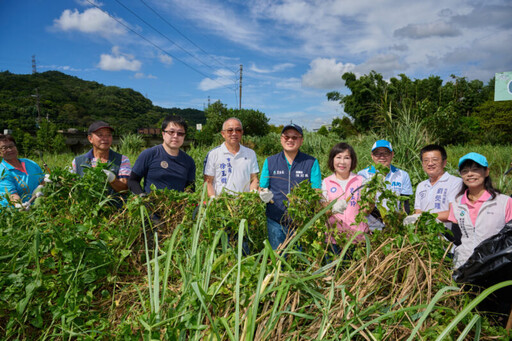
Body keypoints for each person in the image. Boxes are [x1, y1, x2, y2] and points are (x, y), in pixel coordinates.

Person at [259, 123, 322, 250]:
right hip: (275, 220)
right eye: (286, 137)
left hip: (302, 221)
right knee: (278, 258)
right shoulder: (270, 161)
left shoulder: (311, 162)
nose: (290, 140)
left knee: (299, 259)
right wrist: (263, 194)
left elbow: (317, 191)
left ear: (301, 140)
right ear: (281, 139)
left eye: (295, 137)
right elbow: (262, 187)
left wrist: (307, 203)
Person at [448, 152, 512, 269]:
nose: (470, 174)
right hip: (463, 264)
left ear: (486, 172)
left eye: (475, 169)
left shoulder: (504, 202)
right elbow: (457, 237)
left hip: (494, 265)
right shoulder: (457, 203)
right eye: (465, 171)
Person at [129, 115, 195, 195]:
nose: (175, 136)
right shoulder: (149, 154)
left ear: (184, 136)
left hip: (178, 205)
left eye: (180, 133)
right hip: (152, 205)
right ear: (163, 134)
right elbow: (132, 181)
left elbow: (190, 188)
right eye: (171, 132)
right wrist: (142, 197)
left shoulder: (189, 161)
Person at [358, 139, 413, 230]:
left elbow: (405, 204)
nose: (382, 157)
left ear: (392, 155)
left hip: (395, 223)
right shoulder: (362, 175)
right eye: (377, 153)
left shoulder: (402, 175)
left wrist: (402, 222)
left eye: (386, 153)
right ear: (372, 156)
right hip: (371, 225)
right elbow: (361, 204)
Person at [322, 143, 368, 247]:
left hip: (358, 238)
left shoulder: (361, 181)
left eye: (347, 158)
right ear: (332, 160)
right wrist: (332, 208)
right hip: (334, 239)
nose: (342, 162)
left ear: (352, 161)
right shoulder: (326, 182)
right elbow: (322, 208)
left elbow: (366, 209)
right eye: (338, 157)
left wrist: (370, 202)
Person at [404, 144, 462, 226]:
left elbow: (453, 213)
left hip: (447, 236)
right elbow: (418, 212)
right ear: (422, 164)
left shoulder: (455, 182)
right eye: (426, 160)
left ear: (444, 162)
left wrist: (425, 217)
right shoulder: (421, 186)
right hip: (424, 235)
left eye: (435, 160)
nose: (430, 163)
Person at [203, 117, 259, 197]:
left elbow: (254, 179)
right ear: (223, 134)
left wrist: (252, 195)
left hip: (244, 203)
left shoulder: (250, 153)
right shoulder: (213, 154)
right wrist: (213, 200)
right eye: (230, 130)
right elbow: (208, 182)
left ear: (242, 132)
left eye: (238, 130)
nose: (234, 133)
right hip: (220, 203)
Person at [72, 121, 131, 193]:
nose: (105, 138)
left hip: (113, 204)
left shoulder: (122, 160)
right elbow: (71, 187)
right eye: (100, 135)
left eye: (109, 135)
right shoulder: (78, 161)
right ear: (90, 139)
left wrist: (112, 179)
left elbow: (125, 189)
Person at [0, 134, 45, 208]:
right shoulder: (2, 172)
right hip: (16, 214)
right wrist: (20, 205)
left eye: (11, 146)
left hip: (37, 209)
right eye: (4, 148)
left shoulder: (29, 163)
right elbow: (12, 194)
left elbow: (42, 180)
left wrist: (42, 186)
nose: (10, 150)